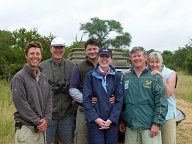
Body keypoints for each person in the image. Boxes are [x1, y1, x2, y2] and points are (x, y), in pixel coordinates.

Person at [119, 46, 168, 144]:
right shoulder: (127, 77)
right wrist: (122, 120)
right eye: (134, 56)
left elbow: (161, 102)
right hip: (131, 127)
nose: (136, 58)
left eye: (139, 56)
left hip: (149, 127)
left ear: (146, 58)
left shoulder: (154, 77)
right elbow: (122, 101)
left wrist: (156, 124)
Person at [10, 41, 52, 144]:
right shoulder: (19, 78)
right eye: (32, 53)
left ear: (41, 56)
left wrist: (46, 119)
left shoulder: (44, 78)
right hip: (26, 132)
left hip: (41, 132)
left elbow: (49, 100)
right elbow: (21, 104)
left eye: (38, 54)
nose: (35, 56)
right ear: (26, 56)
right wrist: (38, 121)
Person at [83, 48, 123, 144]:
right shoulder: (90, 76)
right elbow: (86, 99)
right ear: (97, 58)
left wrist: (111, 119)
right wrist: (96, 119)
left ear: (111, 59)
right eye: (102, 56)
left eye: (107, 56)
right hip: (95, 121)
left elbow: (119, 100)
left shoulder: (117, 76)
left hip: (111, 122)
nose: (104, 59)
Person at [39, 37, 75, 144]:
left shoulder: (72, 66)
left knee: (66, 141)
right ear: (51, 49)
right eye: (56, 47)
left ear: (64, 49)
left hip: (66, 115)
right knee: (45, 141)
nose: (58, 50)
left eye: (61, 47)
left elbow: (79, 85)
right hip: (48, 115)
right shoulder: (42, 67)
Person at [69, 38, 101, 144]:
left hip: (102, 110)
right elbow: (73, 89)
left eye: (95, 49)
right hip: (83, 110)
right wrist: (86, 100)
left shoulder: (107, 65)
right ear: (85, 51)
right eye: (89, 49)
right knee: (82, 138)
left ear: (99, 49)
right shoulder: (79, 67)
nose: (92, 51)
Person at [149, 51, 177, 144]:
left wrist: (162, 78)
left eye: (157, 62)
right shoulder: (148, 73)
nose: (154, 64)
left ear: (161, 62)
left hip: (167, 115)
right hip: (152, 115)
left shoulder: (170, 73)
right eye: (152, 62)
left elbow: (168, 94)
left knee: (168, 141)